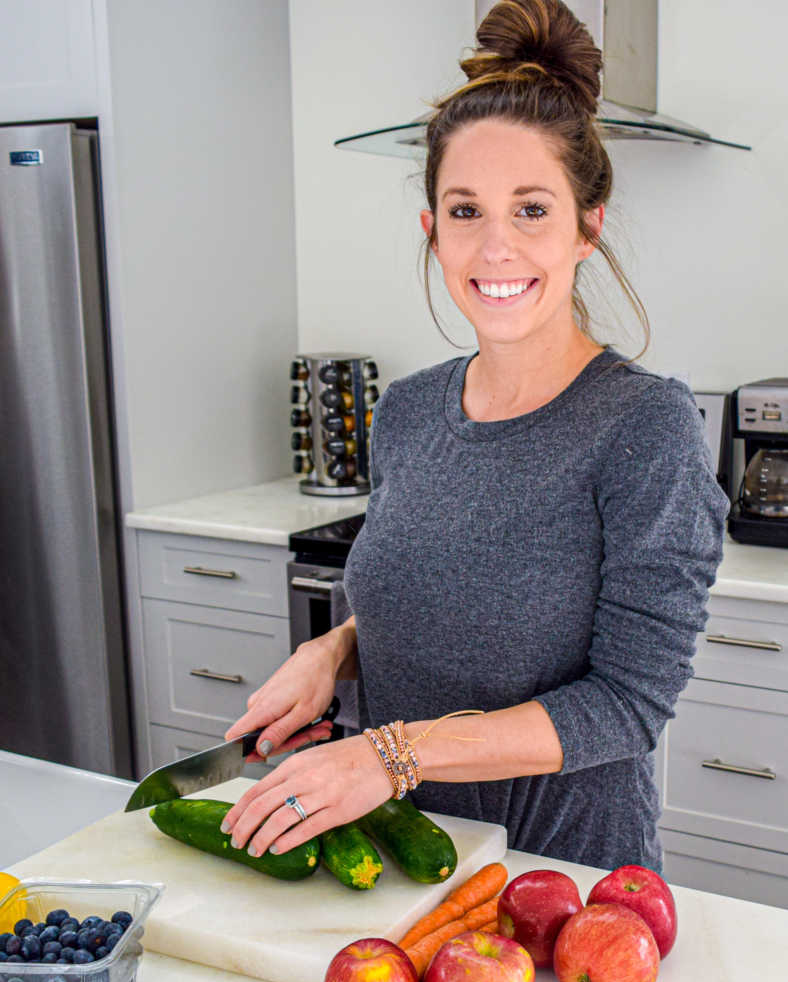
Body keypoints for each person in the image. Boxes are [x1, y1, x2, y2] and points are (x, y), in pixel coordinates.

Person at [220, 0, 729, 872]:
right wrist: (333, 649)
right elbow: (442, 596)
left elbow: (627, 703)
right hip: (399, 861)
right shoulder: (410, 411)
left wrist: (387, 753)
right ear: (432, 230)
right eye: (465, 211)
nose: (496, 247)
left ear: (587, 226)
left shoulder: (646, 428)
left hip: (560, 886)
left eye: (531, 209)